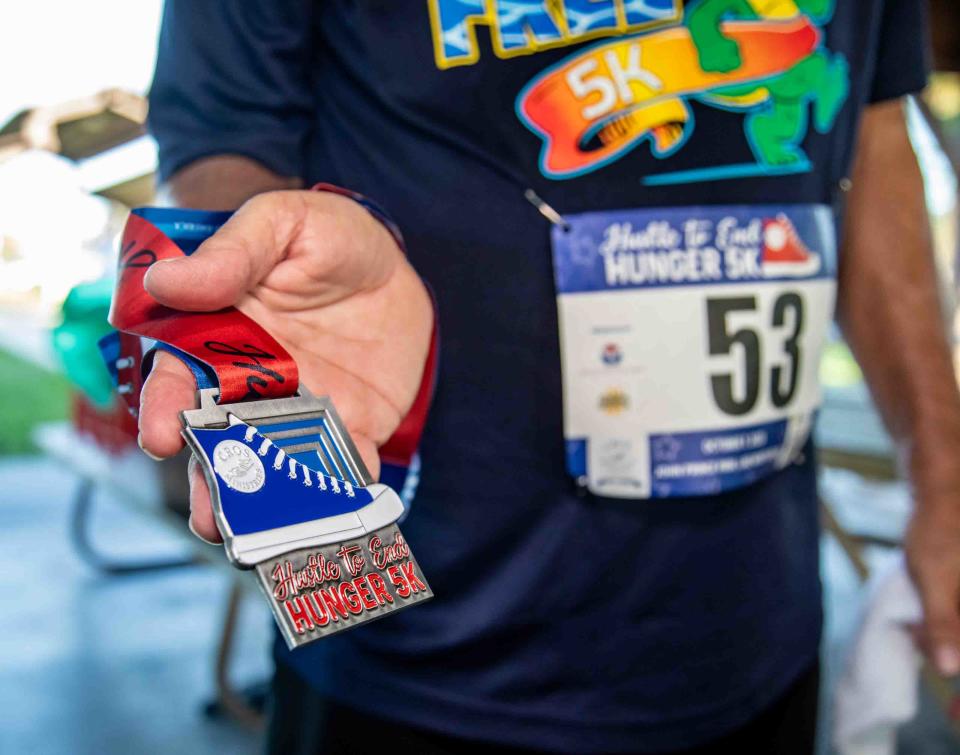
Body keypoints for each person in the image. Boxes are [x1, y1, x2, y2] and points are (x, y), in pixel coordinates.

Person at [140, 1, 960, 752]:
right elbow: (221, 133)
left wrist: (945, 481)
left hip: (758, 629)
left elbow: (874, 134)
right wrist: (261, 319)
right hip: (404, 648)